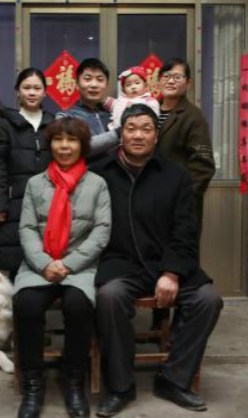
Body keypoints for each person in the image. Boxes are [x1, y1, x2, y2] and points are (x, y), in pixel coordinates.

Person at [91, 104, 223, 417]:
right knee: (109, 297)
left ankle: (173, 379)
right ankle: (121, 386)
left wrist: (172, 272)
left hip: (166, 262)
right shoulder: (100, 174)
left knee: (207, 300)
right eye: (131, 128)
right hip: (121, 263)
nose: (138, 135)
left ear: (156, 136)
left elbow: (185, 230)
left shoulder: (176, 176)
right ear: (121, 134)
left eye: (146, 129)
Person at [13, 117, 112, 418]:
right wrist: (44, 264)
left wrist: (68, 265)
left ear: (83, 146)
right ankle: (33, 386)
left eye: (72, 140)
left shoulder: (97, 184)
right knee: (27, 305)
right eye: (58, 139)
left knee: (78, 306)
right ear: (50, 144)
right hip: (38, 264)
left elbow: (102, 231)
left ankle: (73, 382)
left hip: (79, 265)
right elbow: (27, 228)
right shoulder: (35, 184)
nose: (65, 146)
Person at [152, 58, 216, 331]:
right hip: (151, 204)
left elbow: (203, 166)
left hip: (180, 207)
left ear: (188, 83)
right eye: (166, 75)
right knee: (155, 259)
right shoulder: (151, 110)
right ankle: (158, 322)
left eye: (177, 76)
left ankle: (180, 327)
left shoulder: (192, 116)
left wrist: (181, 201)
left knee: (180, 262)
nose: (171, 80)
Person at [0, 68, 55, 279]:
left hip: (49, 200)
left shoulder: (53, 124)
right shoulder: (4, 125)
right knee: (16, 256)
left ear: (45, 92)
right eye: (26, 88)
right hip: (16, 201)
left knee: (48, 253)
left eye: (37, 88)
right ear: (18, 91)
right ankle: (19, 296)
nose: (32, 92)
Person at [56, 58, 115, 161]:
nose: (94, 85)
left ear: (106, 85)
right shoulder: (65, 117)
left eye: (100, 79)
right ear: (77, 84)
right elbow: (78, 148)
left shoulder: (113, 114)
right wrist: (118, 134)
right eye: (87, 79)